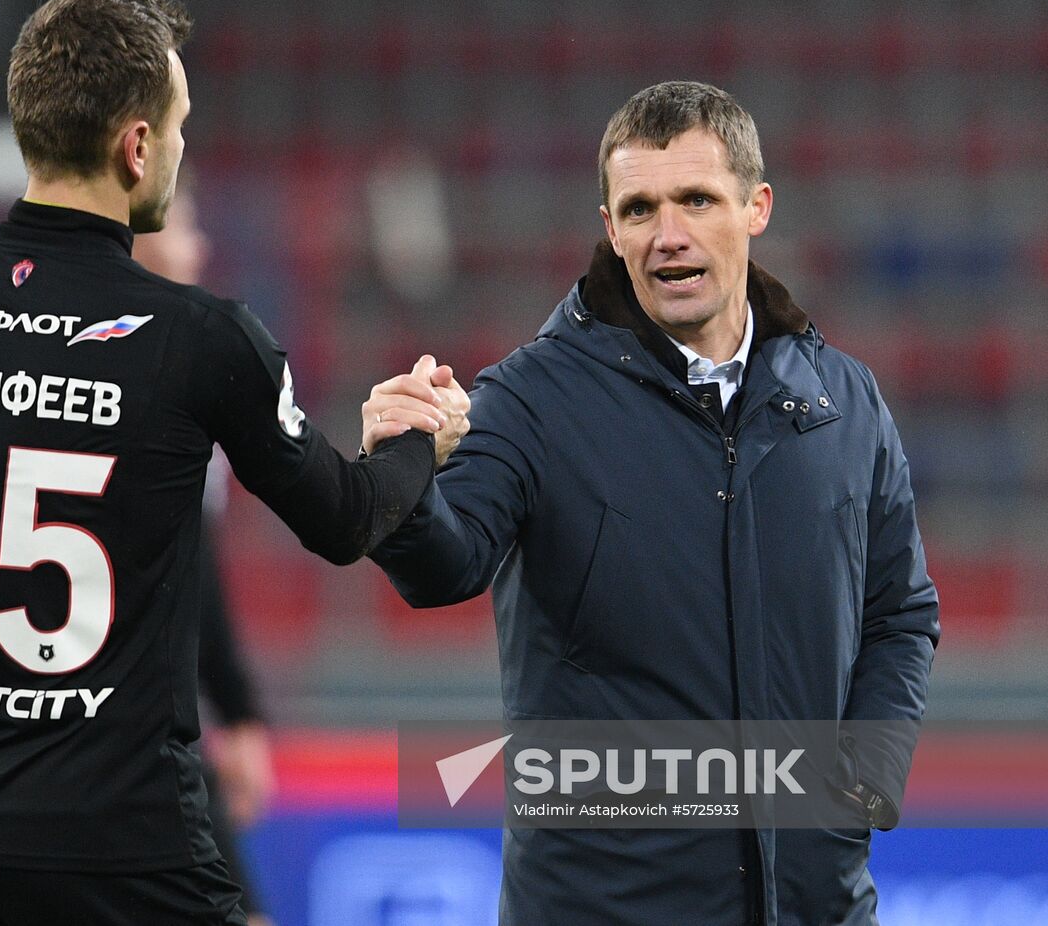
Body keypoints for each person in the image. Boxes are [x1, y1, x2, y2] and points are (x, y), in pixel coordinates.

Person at [0, 0, 467, 926]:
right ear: (137, 145)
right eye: (181, 126)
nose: (184, 152)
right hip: (133, 861)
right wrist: (412, 443)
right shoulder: (200, 337)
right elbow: (348, 520)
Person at [371, 81, 939, 924]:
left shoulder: (844, 400)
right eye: (639, 209)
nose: (667, 236)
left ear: (757, 208)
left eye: (697, 200)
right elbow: (442, 565)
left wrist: (859, 785)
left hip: (814, 905)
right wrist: (402, 472)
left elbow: (900, 615)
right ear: (609, 227)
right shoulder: (529, 400)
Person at [136, 181, 278, 926]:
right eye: (184, 222)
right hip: (135, 734)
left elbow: (194, 570)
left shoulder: (179, 356)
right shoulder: (165, 372)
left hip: (144, 726)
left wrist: (237, 710)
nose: (202, 244)